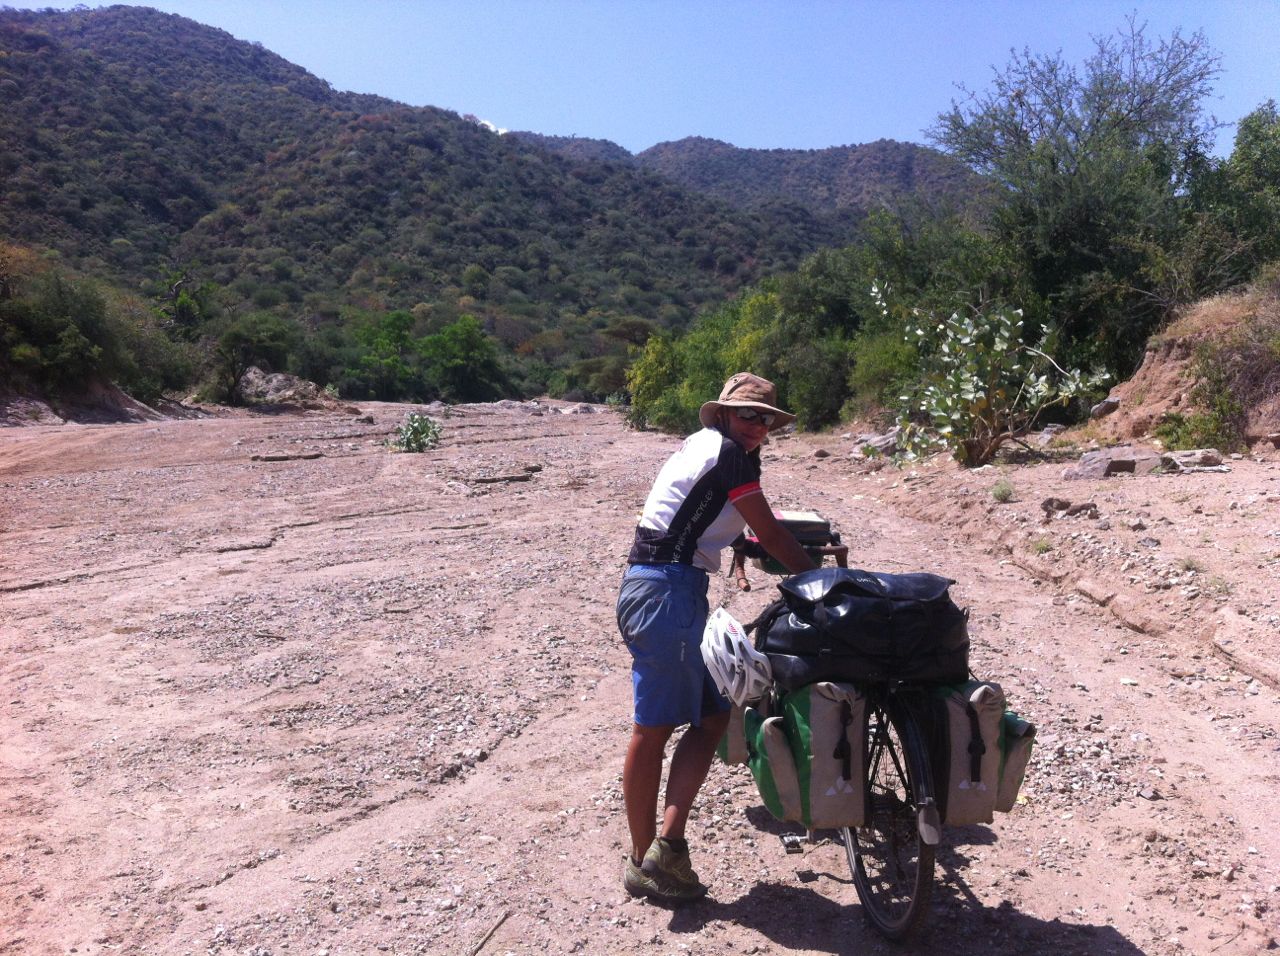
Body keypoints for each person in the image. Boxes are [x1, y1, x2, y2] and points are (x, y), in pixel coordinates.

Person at [617, 372, 817, 905]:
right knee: (653, 728)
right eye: (748, 414)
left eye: (766, 418)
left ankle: (669, 846)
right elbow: (770, 532)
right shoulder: (727, 451)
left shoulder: (716, 449)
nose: (758, 426)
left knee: (710, 719)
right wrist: (822, 584)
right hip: (666, 589)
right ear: (725, 413)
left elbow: (727, 523)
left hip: (670, 586)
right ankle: (644, 862)